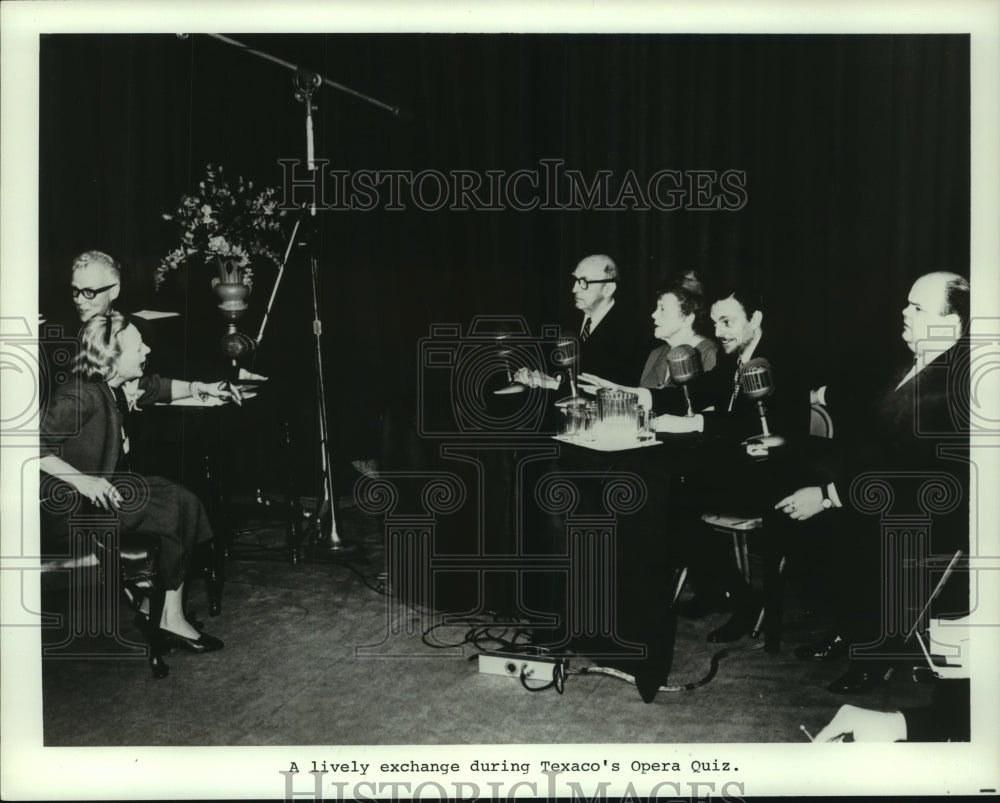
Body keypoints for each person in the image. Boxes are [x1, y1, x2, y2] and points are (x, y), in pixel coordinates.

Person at [774, 272, 970, 693]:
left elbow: (914, 473)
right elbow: (872, 427)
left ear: (951, 324)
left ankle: (876, 653)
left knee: (843, 522)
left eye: (917, 307)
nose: (904, 311)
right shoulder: (914, 362)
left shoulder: (955, 384)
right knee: (796, 480)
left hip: (925, 512)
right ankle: (850, 625)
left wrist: (829, 497)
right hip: (886, 490)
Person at [39, 312, 243, 654]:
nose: (147, 349)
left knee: (182, 500)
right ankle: (169, 618)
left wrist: (200, 387)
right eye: (138, 346)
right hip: (73, 508)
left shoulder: (111, 385)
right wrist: (83, 482)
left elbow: (154, 388)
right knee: (173, 508)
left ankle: (159, 608)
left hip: (106, 491)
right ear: (111, 356)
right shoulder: (80, 396)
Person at [515, 254, 647, 390]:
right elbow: (546, 363)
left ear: (608, 289)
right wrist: (530, 373)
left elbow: (614, 388)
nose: (574, 289)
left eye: (584, 282)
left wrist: (554, 384)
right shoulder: (566, 320)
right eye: (576, 280)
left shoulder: (633, 331)